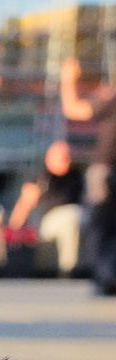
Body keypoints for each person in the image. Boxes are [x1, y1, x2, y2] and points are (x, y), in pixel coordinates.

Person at [59, 56, 115, 294]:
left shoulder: (112, 96)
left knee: (103, 224)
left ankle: (106, 276)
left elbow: (73, 108)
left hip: (106, 168)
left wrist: (68, 78)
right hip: (107, 169)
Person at [8, 140, 86, 277]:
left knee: (77, 217)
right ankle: (68, 269)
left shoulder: (77, 175)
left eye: (68, 156)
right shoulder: (41, 177)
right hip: (52, 220)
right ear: (49, 158)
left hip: (80, 216)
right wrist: (14, 229)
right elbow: (25, 204)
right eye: (63, 157)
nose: (67, 161)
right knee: (70, 219)